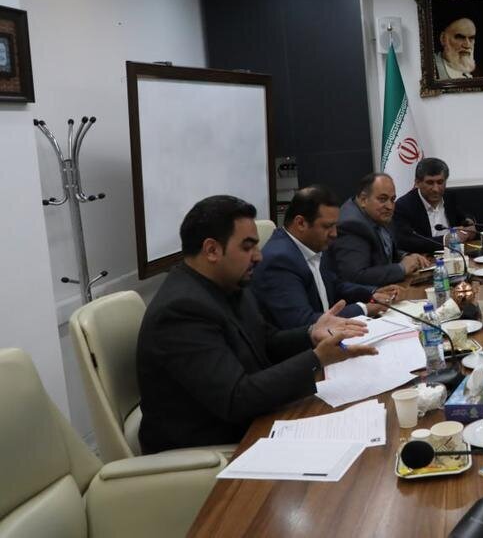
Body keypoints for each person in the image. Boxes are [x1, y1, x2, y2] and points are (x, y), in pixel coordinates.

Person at [136, 195, 376, 454]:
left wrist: (311, 333)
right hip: (211, 449)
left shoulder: (229, 285)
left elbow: (266, 342)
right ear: (212, 250)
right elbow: (236, 398)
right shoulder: (181, 311)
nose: (259, 256)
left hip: (255, 422)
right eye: (247, 247)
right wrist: (317, 358)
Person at [253, 185, 399, 330]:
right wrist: (363, 309)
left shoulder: (313, 244)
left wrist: (372, 293)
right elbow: (304, 322)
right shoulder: (279, 261)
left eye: (335, 226)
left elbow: (335, 285)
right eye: (327, 226)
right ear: (301, 223)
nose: (334, 234)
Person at [332, 173, 432, 287]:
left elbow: (383, 252)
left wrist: (406, 257)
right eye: (382, 199)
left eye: (392, 199)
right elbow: (355, 276)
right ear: (363, 199)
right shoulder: (352, 225)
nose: (390, 206)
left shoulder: (377, 214)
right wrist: (401, 268)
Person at [393, 157, 476, 255]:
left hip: (455, 255)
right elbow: (406, 242)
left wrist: (469, 224)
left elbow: (464, 217)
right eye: (430, 183)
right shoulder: (404, 206)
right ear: (417, 183)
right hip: (425, 259)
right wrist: (446, 240)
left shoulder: (449, 197)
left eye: (440, 182)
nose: (436, 189)